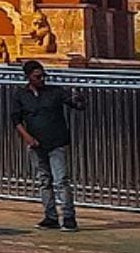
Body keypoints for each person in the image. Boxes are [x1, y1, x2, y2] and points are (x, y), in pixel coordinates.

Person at [12, 60, 85, 231]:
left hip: (56, 140)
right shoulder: (21, 95)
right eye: (37, 77)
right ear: (28, 77)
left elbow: (75, 104)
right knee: (44, 180)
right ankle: (50, 216)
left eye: (43, 76)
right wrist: (27, 138)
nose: (41, 79)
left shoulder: (55, 92)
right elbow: (16, 120)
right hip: (36, 143)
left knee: (61, 180)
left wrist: (78, 99)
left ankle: (68, 217)